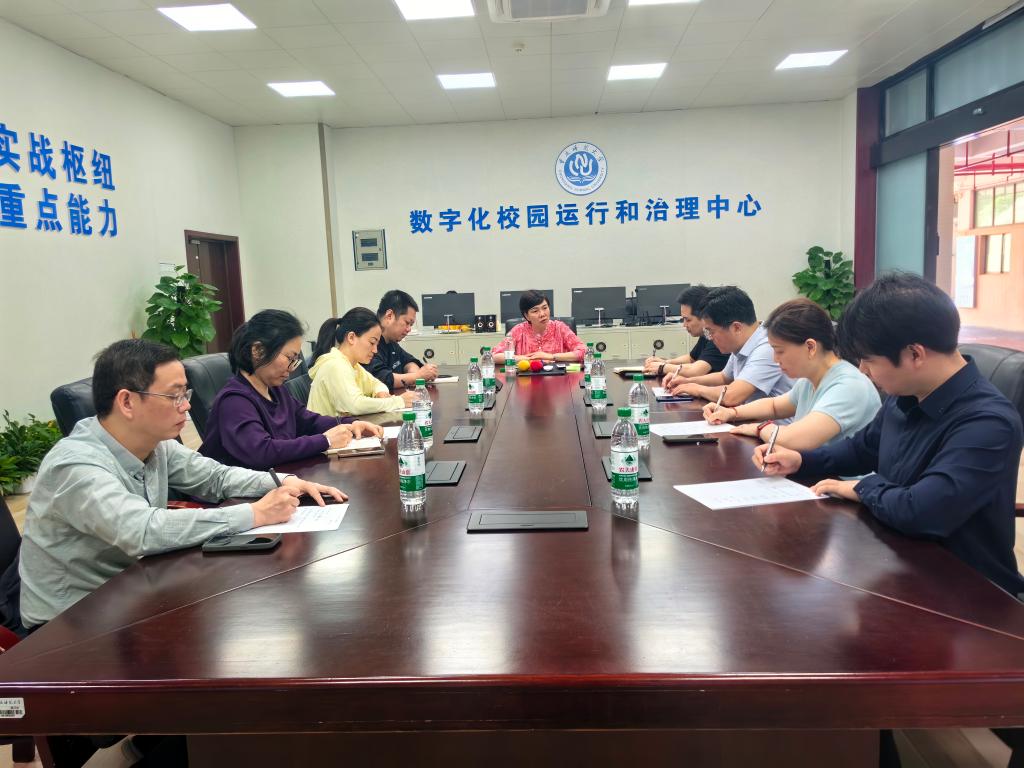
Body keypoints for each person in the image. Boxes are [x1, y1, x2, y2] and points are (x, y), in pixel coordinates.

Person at [19, 339, 345, 630]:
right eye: (174, 396)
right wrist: (255, 514)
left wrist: (285, 481)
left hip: (135, 590)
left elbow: (215, 477)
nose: (186, 406)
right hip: (69, 625)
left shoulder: (156, 445)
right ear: (127, 402)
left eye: (185, 394)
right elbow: (142, 530)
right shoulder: (76, 465)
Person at [757, 273, 1024, 599]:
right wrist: (800, 460)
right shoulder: (906, 395)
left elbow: (923, 511)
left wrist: (862, 487)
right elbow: (862, 449)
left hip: (966, 593)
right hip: (896, 562)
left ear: (915, 354)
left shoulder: (988, 422)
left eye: (868, 360)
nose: (863, 371)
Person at [199, 310, 382, 470]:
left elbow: (309, 421)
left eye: (295, 360)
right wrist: (325, 441)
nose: (292, 368)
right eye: (289, 358)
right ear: (258, 351)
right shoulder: (234, 401)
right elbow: (262, 452)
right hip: (236, 496)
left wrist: (350, 423)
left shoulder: (276, 390)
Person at [703, 298, 880, 450]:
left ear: (810, 347)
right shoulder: (810, 380)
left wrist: (760, 428)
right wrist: (731, 413)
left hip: (839, 479)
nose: (775, 358)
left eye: (779, 351)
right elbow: (774, 406)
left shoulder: (848, 386)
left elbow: (797, 439)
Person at [667, 286, 794, 406]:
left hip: (773, 422)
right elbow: (724, 377)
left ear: (736, 328)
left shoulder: (767, 348)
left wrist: (697, 389)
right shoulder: (744, 340)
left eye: (711, 331)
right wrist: (687, 381)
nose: (709, 338)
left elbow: (732, 396)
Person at [308, 308, 419, 416]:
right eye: (372, 342)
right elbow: (355, 405)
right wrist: (399, 401)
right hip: (328, 428)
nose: (375, 350)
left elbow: (377, 384)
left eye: (377, 344)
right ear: (351, 337)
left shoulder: (354, 366)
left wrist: (380, 392)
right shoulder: (335, 365)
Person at [642, 284, 730, 381]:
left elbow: (696, 371)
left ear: (704, 316)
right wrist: (666, 362)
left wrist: (663, 367)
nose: (684, 325)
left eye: (688, 320)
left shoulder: (717, 337)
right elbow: (691, 358)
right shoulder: (706, 333)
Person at [368, 290, 439, 391]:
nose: (409, 329)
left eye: (411, 325)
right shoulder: (370, 344)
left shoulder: (391, 341)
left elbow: (408, 360)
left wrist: (414, 373)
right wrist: (417, 376)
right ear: (389, 316)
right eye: (407, 323)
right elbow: (380, 379)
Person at [492, 289, 586, 363]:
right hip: (526, 380)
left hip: (557, 378)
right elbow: (495, 356)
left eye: (545, 308)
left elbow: (584, 351)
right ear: (526, 316)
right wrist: (524, 358)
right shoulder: (518, 330)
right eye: (535, 311)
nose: (542, 314)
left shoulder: (560, 328)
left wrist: (552, 356)